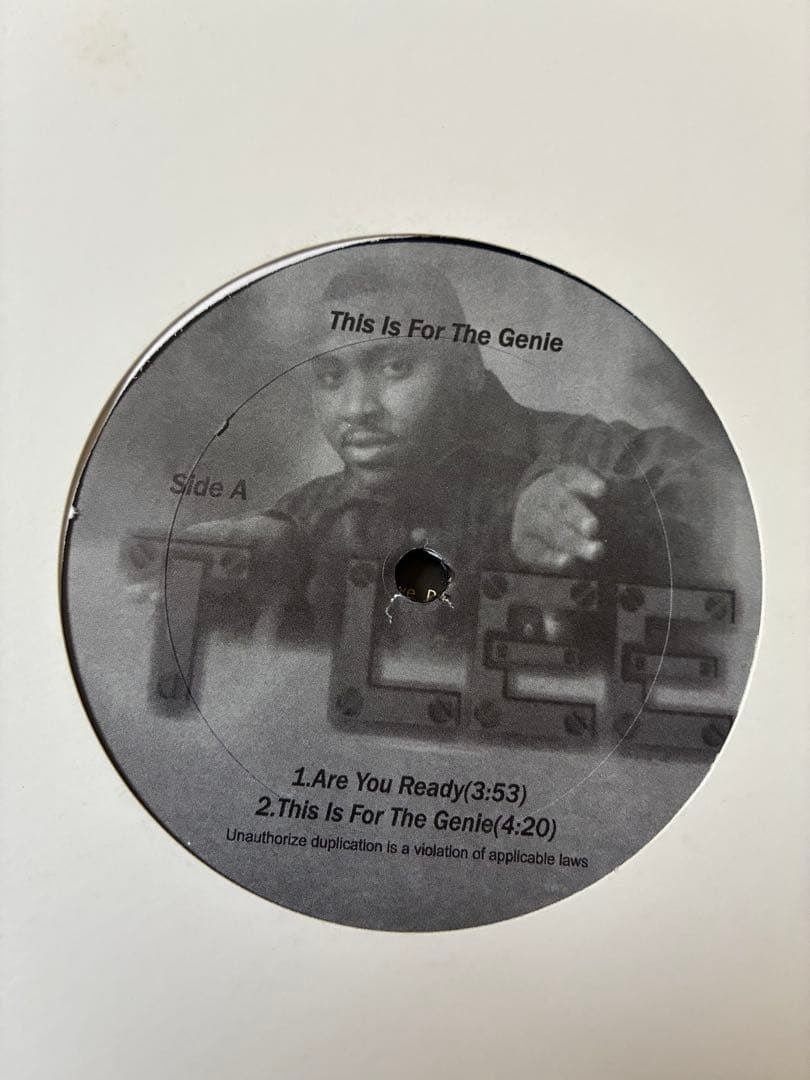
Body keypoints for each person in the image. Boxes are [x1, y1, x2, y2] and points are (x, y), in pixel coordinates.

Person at [180, 261, 725, 647]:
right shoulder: (311, 511)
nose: (356, 408)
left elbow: (728, 497)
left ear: (468, 369)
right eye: (330, 377)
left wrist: (609, 515)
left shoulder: (588, 451)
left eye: (395, 366)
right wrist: (278, 541)